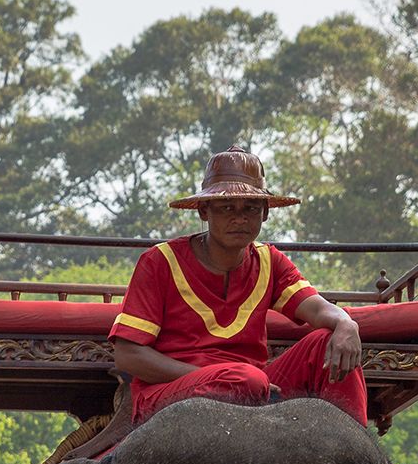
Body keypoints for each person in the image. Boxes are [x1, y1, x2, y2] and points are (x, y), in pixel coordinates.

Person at [108, 148, 366, 427]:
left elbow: (316, 308)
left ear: (265, 213)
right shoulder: (160, 261)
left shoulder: (270, 261)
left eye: (251, 208)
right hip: (176, 391)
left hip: (256, 389)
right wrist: (218, 377)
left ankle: (362, 455)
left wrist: (347, 324)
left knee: (329, 340)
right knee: (246, 379)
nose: (240, 218)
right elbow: (127, 355)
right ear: (204, 211)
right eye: (227, 207)